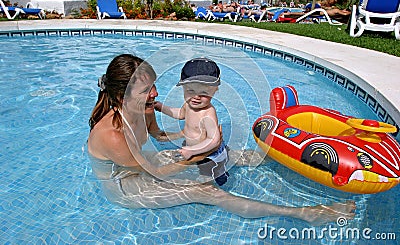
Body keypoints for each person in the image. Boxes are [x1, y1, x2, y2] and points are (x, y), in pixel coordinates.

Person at [87, 53, 356, 224]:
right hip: (127, 185)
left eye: (154, 84)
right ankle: (304, 214)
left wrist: (188, 139)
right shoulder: (113, 136)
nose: (156, 93)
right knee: (208, 191)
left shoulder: (143, 109)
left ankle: (280, 159)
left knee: (231, 154)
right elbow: (155, 173)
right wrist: (200, 155)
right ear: (122, 97)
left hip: (144, 164)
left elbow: (158, 136)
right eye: (147, 90)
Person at [154, 58, 229, 186]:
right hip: (193, 148)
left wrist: (193, 151)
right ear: (183, 88)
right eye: (190, 91)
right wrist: (162, 108)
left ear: (214, 90)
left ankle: (221, 175)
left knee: (207, 177)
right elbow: (180, 114)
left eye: (204, 93)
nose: (196, 97)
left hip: (209, 155)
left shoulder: (208, 113)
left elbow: (213, 140)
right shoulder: (188, 105)